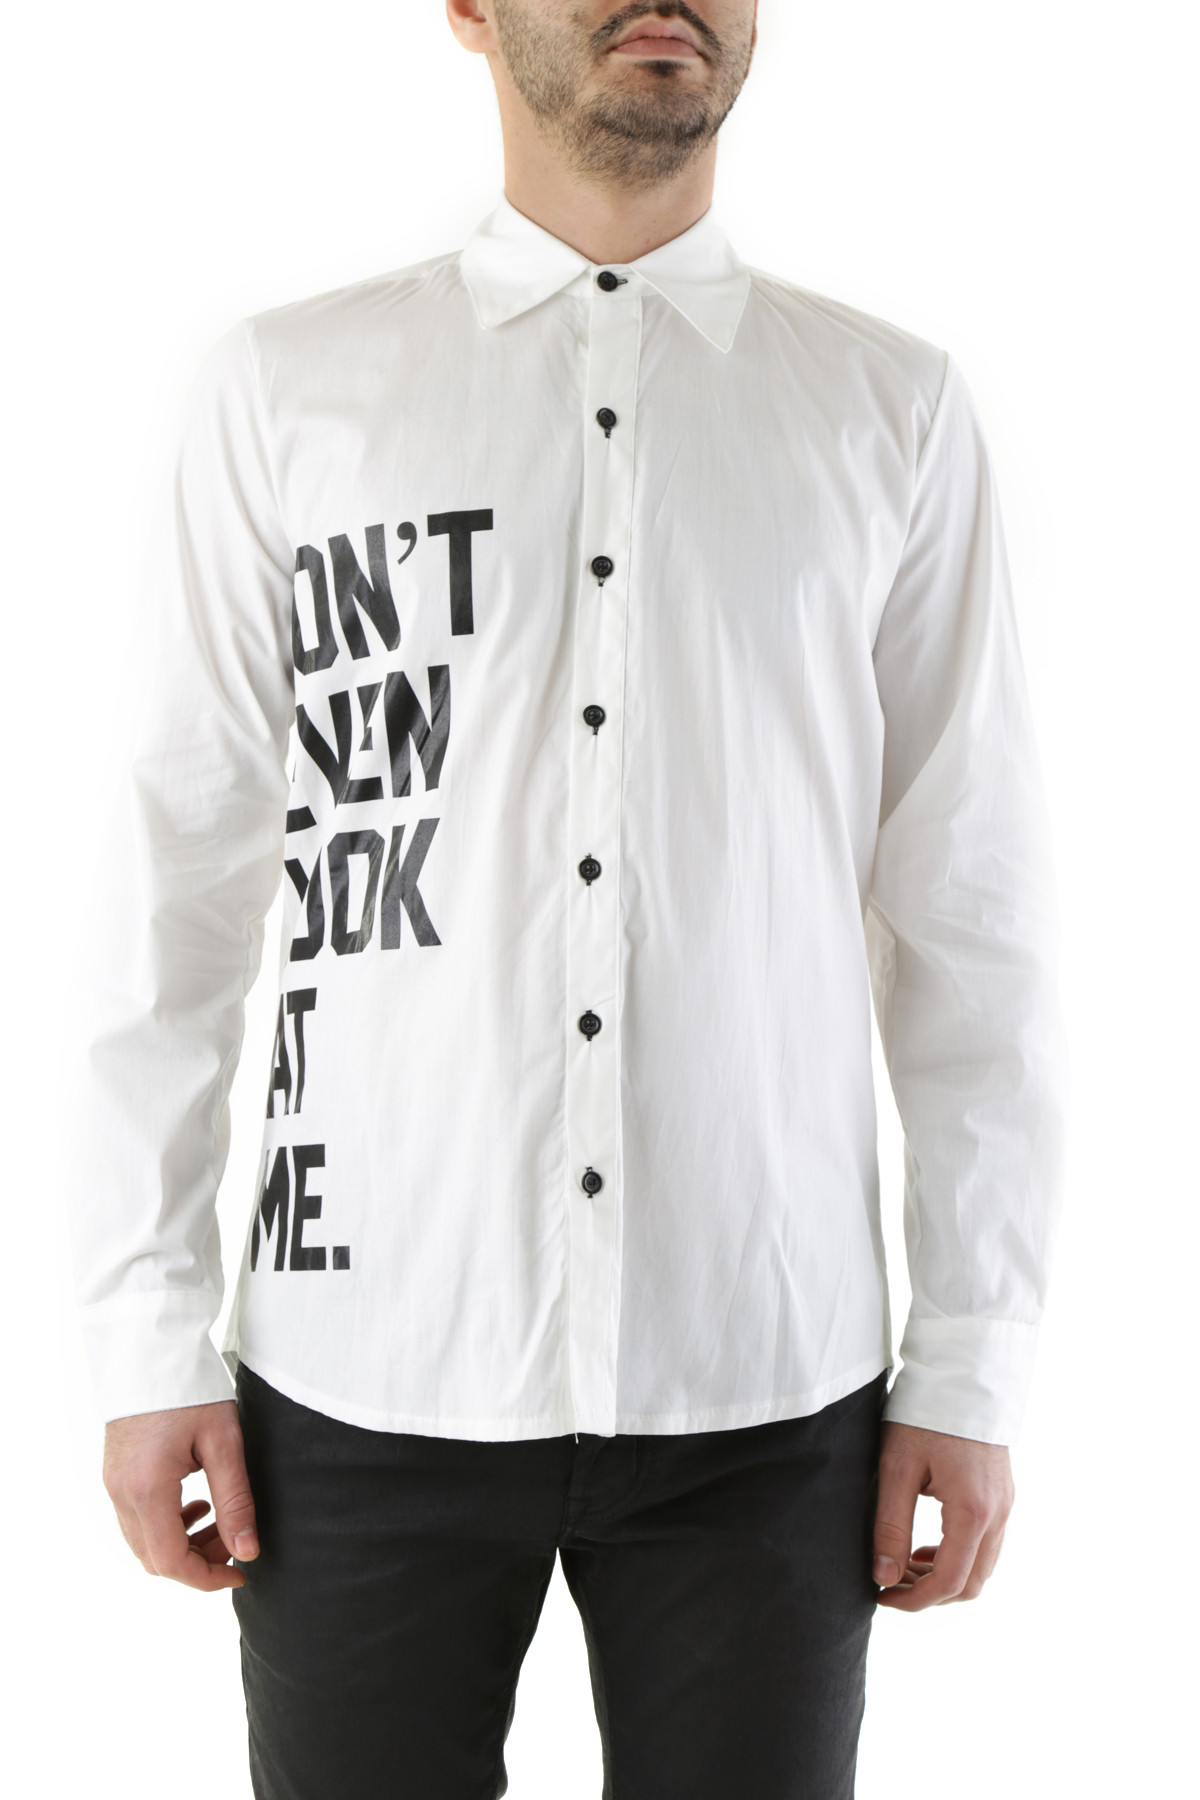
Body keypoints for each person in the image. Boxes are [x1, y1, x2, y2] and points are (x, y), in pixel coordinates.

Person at [71, 4, 1067, 1796]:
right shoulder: (288, 391)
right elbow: (181, 886)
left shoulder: (891, 410)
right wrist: (147, 1332)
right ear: (467, 9)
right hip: (360, 1368)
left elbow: (968, 917)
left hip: (767, 1381)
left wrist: (972, 1360)